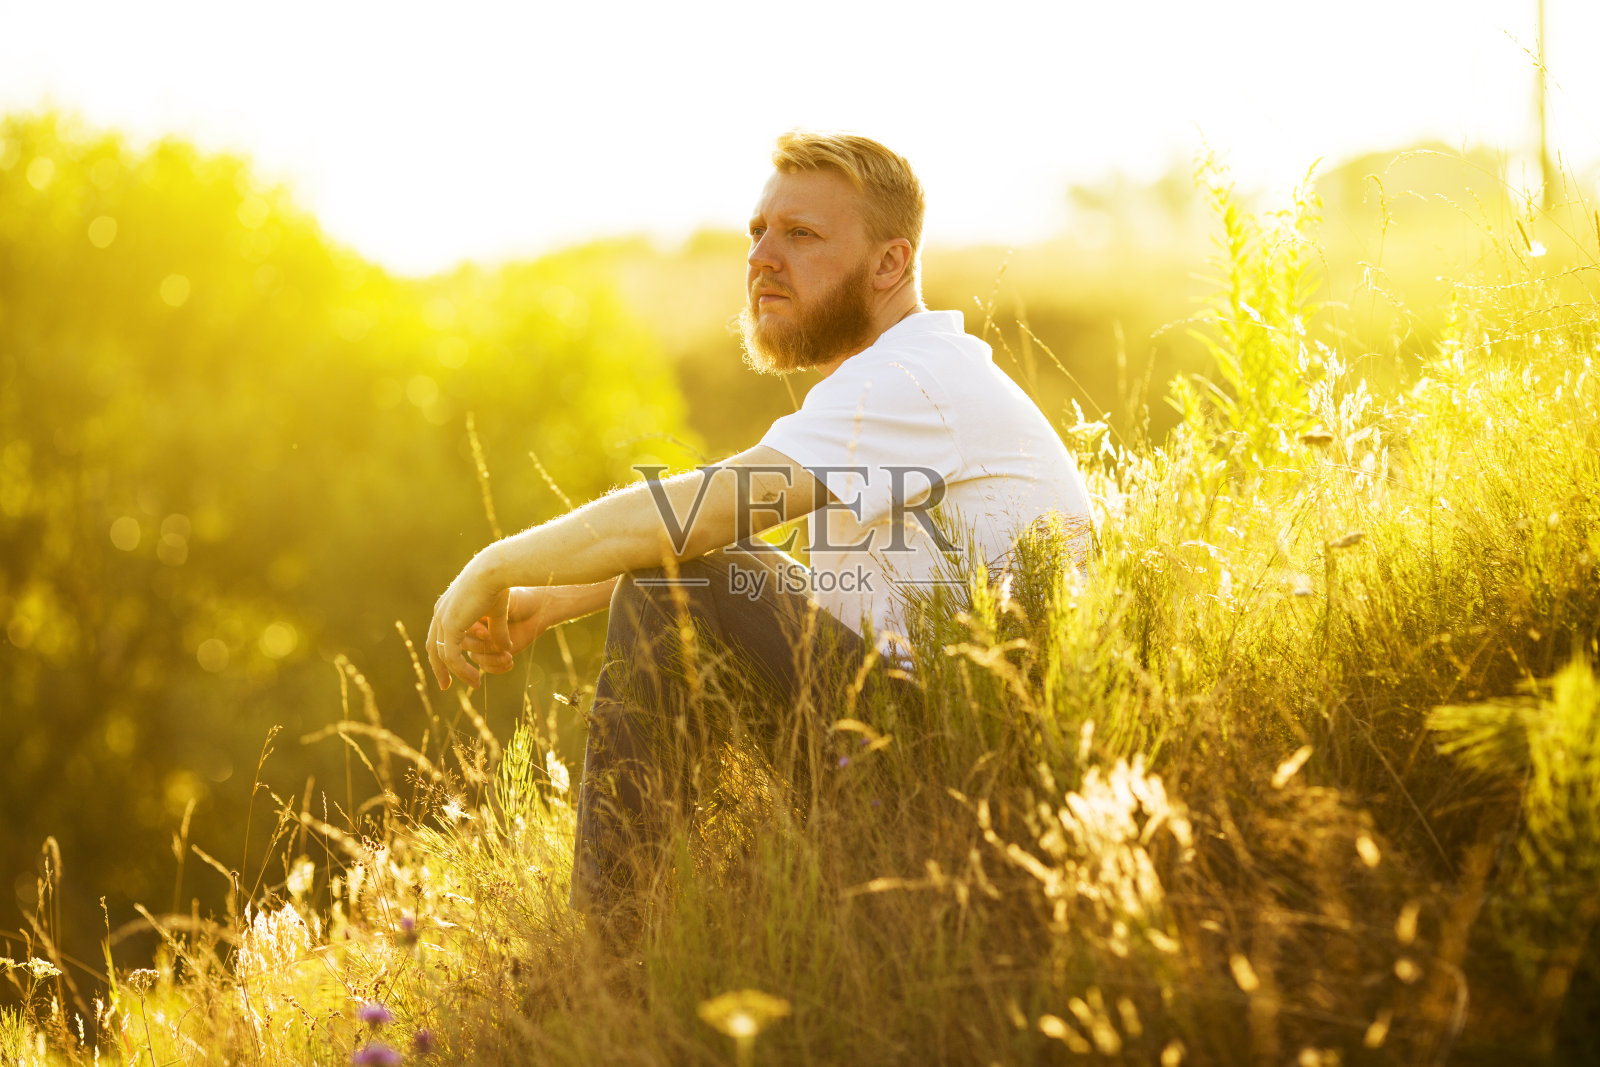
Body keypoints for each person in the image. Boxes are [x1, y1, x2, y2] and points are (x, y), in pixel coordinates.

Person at [425, 130, 1093, 937]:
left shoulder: (912, 381)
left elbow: (706, 516)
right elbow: (750, 554)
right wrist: (554, 597)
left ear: (890, 264)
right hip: (943, 745)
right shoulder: (897, 381)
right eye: (757, 232)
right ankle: (660, 927)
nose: (763, 258)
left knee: (683, 585)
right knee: (696, 575)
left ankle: (604, 953)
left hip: (961, 772)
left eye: (802, 235)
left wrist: (495, 565)